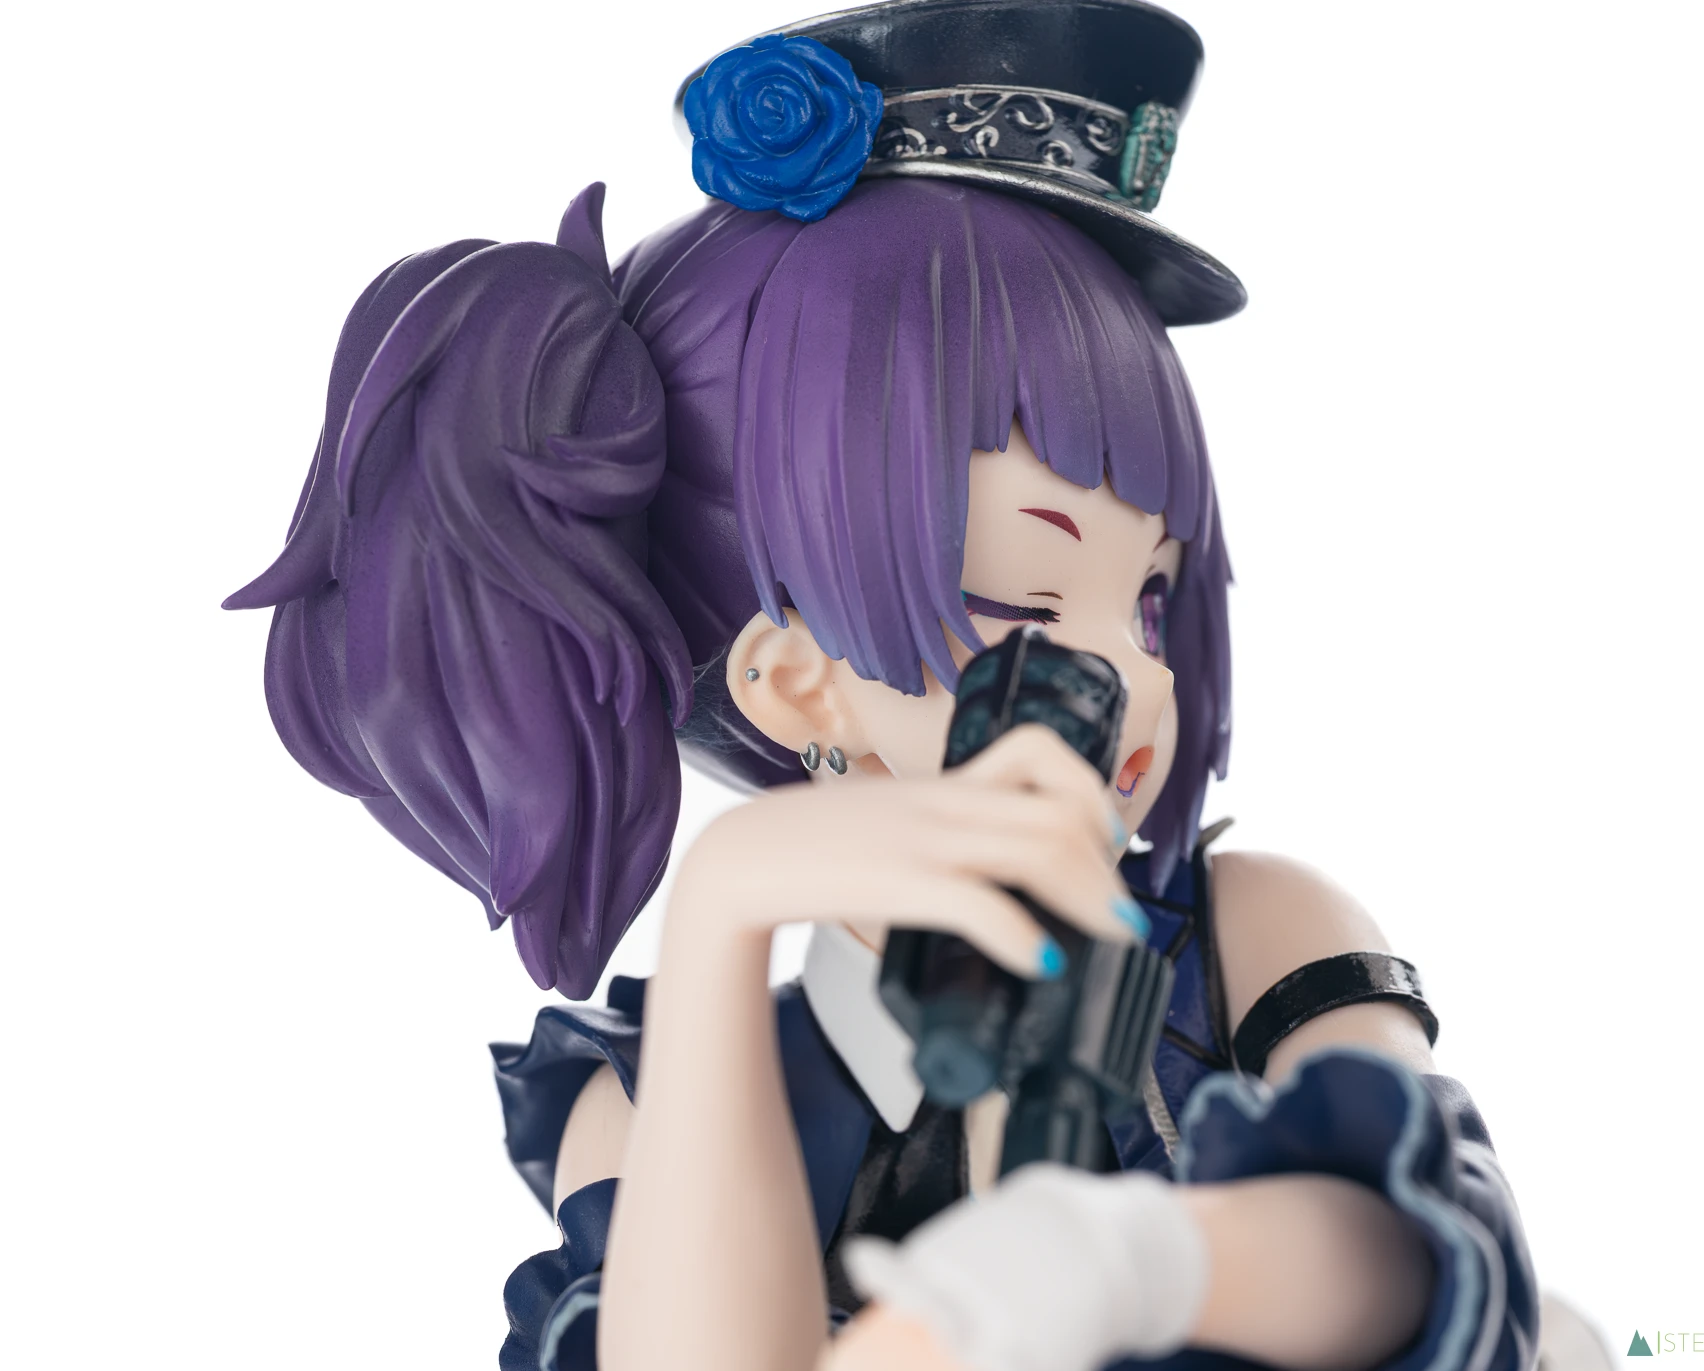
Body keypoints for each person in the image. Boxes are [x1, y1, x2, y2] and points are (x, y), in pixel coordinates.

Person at [227, 4, 1537, 1369]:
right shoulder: (651, 1096)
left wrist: (1141, 1263)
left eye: (1151, 602)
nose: (1137, 681)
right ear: (796, 683)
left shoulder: (1247, 934)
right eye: (1028, 604)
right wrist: (728, 898)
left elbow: (1434, 1256)